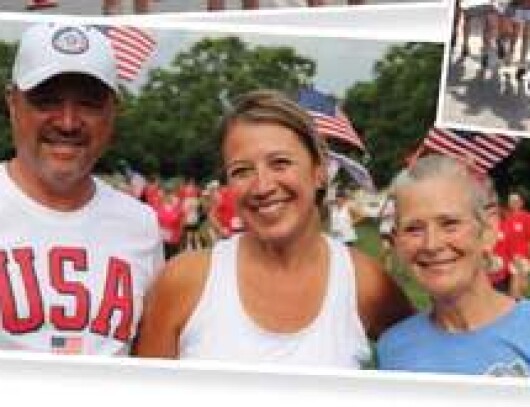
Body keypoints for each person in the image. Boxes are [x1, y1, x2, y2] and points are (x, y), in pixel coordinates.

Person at [134, 89, 413, 367]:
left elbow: (432, 359)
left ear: (319, 171)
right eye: (242, 171)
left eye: (280, 163)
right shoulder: (184, 281)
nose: (263, 186)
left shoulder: (364, 282)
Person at [0, 23, 164, 355]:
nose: (68, 122)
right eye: (46, 101)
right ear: (12, 103)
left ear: (112, 112)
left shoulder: (141, 225)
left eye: (89, 104)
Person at [377, 154, 530, 376]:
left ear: (488, 232)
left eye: (450, 223)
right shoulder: (393, 349)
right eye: (414, 229)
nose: (431, 244)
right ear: (397, 241)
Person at [503, 192, 530, 298]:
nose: (513, 203)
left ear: (521, 203)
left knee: (521, 288)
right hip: (507, 258)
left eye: (515, 201)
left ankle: (520, 307)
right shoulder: (505, 218)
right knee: (512, 290)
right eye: (511, 201)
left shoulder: (528, 218)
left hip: (522, 258)